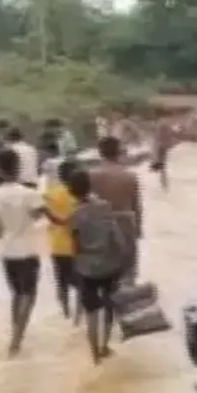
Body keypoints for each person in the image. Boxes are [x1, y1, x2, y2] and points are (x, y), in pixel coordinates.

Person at [57, 169, 134, 363]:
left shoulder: (74, 216)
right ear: (90, 186)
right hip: (110, 265)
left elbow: (75, 246)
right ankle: (105, 346)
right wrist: (124, 258)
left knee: (91, 311)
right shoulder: (105, 208)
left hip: (87, 269)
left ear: (71, 191)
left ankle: (95, 355)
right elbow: (117, 238)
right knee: (109, 307)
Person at [0, 148, 45, 356]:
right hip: (27, 248)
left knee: (17, 293)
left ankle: (16, 332)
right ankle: (17, 340)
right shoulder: (29, 194)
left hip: (6, 250)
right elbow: (40, 215)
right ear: (19, 167)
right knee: (29, 294)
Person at [88, 136, 143, 283]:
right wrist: (138, 228)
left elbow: (85, 204)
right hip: (125, 224)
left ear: (100, 152)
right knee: (128, 272)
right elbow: (136, 205)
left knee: (102, 273)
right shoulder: (130, 176)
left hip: (100, 225)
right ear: (119, 152)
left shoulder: (92, 175)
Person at [44, 158, 82, 322]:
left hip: (57, 245)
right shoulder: (79, 194)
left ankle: (65, 313)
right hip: (77, 246)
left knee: (62, 283)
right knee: (81, 284)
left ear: (59, 175)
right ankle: (78, 317)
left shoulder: (50, 194)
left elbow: (44, 214)